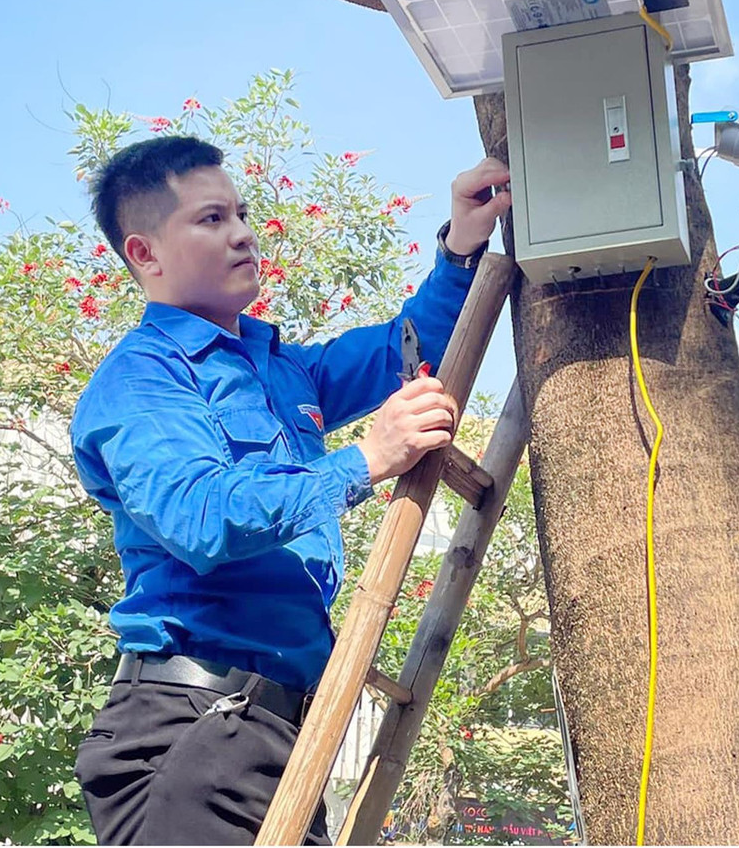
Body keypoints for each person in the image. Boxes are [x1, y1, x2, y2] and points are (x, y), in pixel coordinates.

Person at [70, 135, 511, 845]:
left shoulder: (281, 370)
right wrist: (368, 459)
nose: (243, 233)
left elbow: (401, 347)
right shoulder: (141, 378)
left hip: (278, 733)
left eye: (242, 213)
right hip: (191, 729)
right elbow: (202, 514)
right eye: (212, 218)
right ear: (145, 254)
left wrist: (461, 245)